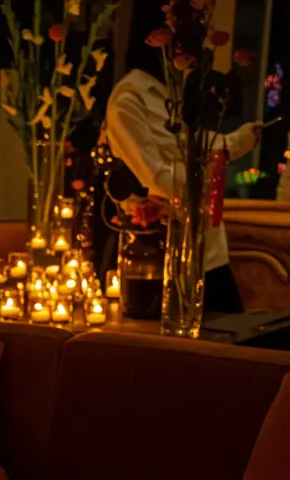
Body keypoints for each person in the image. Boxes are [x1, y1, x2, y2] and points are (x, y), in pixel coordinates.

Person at [106, 8, 262, 314]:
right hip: (164, 253)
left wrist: (238, 140)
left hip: (208, 247)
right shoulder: (129, 99)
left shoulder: (176, 92)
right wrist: (226, 151)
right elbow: (158, 178)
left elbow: (195, 148)